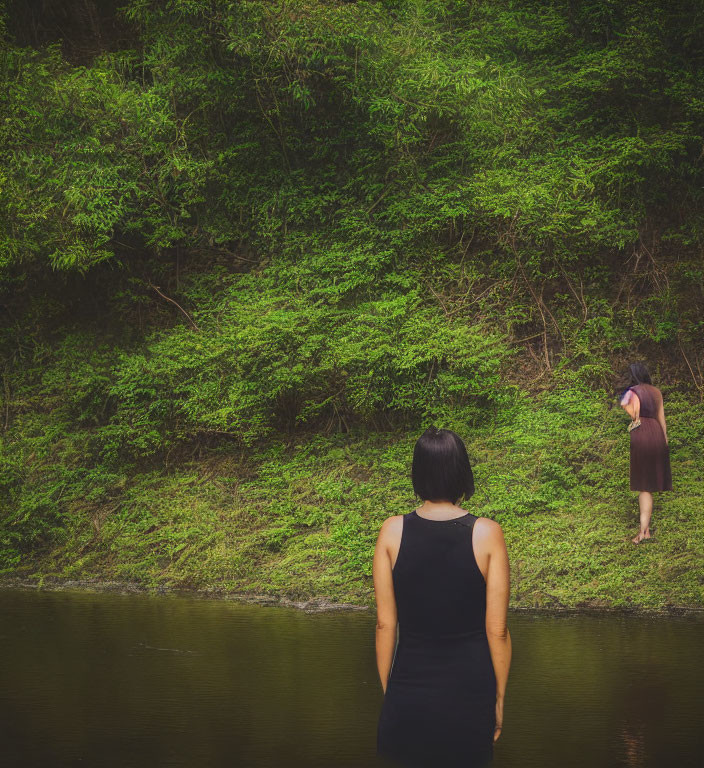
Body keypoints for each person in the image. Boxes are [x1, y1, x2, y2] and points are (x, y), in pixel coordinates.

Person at [373, 427, 511, 767]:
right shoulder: (487, 533)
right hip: (470, 694)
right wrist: (499, 697)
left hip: (408, 691)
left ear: (418, 473)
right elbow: (497, 631)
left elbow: (384, 624)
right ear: (462, 472)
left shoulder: (391, 531)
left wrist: (391, 695)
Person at [617, 362, 672, 544]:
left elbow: (630, 410)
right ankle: (645, 529)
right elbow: (662, 418)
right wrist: (664, 441)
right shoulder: (656, 392)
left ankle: (642, 533)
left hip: (642, 433)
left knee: (644, 486)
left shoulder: (632, 391)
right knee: (648, 486)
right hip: (657, 433)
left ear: (633, 376)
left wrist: (632, 409)